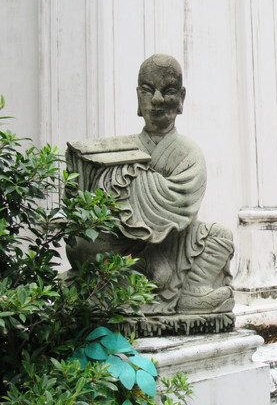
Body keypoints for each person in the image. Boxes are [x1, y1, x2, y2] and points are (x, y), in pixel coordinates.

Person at [66, 54, 234, 315]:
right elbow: (89, 208)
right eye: (148, 90)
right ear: (138, 97)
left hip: (175, 240)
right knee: (81, 243)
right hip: (124, 242)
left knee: (220, 236)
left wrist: (131, 177)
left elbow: (181, 204)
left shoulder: (189, 153)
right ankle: (130, 282)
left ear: (181, 98)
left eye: (168, 91)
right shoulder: (121, 148)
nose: (157, 99)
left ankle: (193, 291)